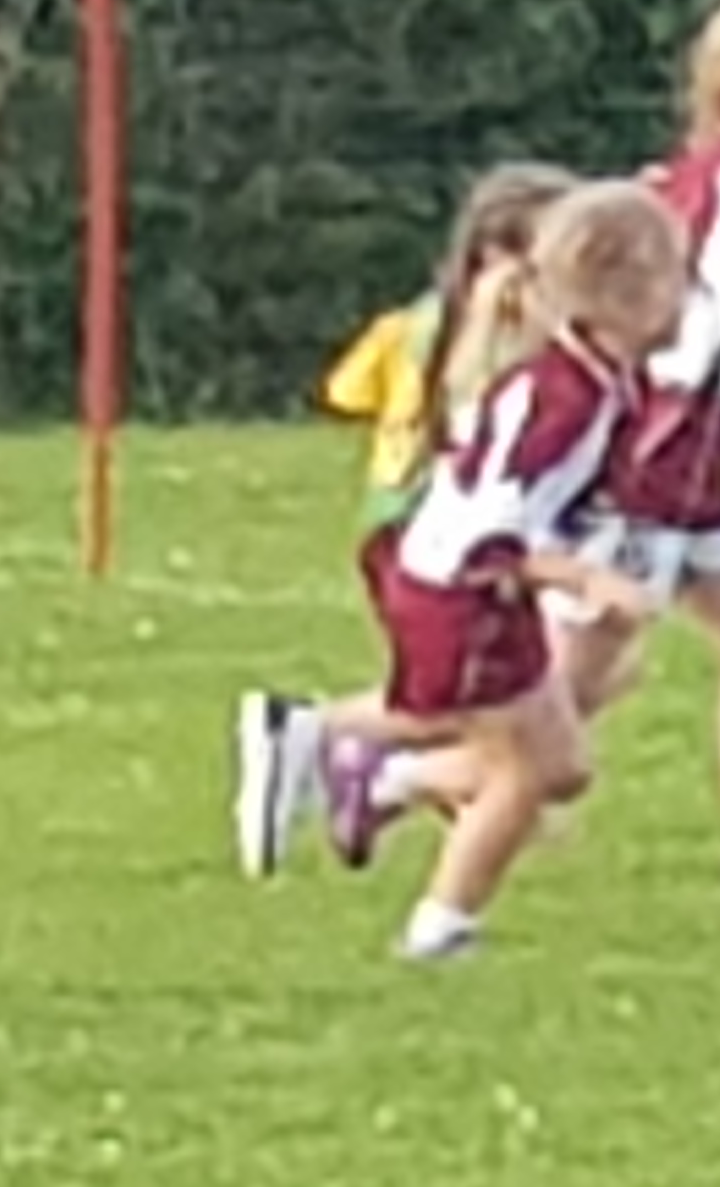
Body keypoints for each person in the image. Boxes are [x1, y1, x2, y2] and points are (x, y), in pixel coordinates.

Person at [334, 0, 720, 888]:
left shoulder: (704, 173)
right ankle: (361, 760)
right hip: (656, 472)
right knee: (557, 706)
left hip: (698, 476)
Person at [310, 178, 679, 959]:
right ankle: (439, 924)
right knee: (525, 770)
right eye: (676, 274)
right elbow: (491, 525)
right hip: (459, 592)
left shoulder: (597, 377)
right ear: (621, 294)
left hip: (474, 589)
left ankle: (371, 777)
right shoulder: (563, 400)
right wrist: (585, 580)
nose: (689, 293)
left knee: (562, 765)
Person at [231, 161, 576, 876]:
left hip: (400, 528)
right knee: (461, 709)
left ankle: (421, 781)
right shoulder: (501, 331)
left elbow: (350, 391)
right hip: (438, 543)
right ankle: (324, 741)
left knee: (522, 704)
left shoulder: (424, 319)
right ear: (501, 256)